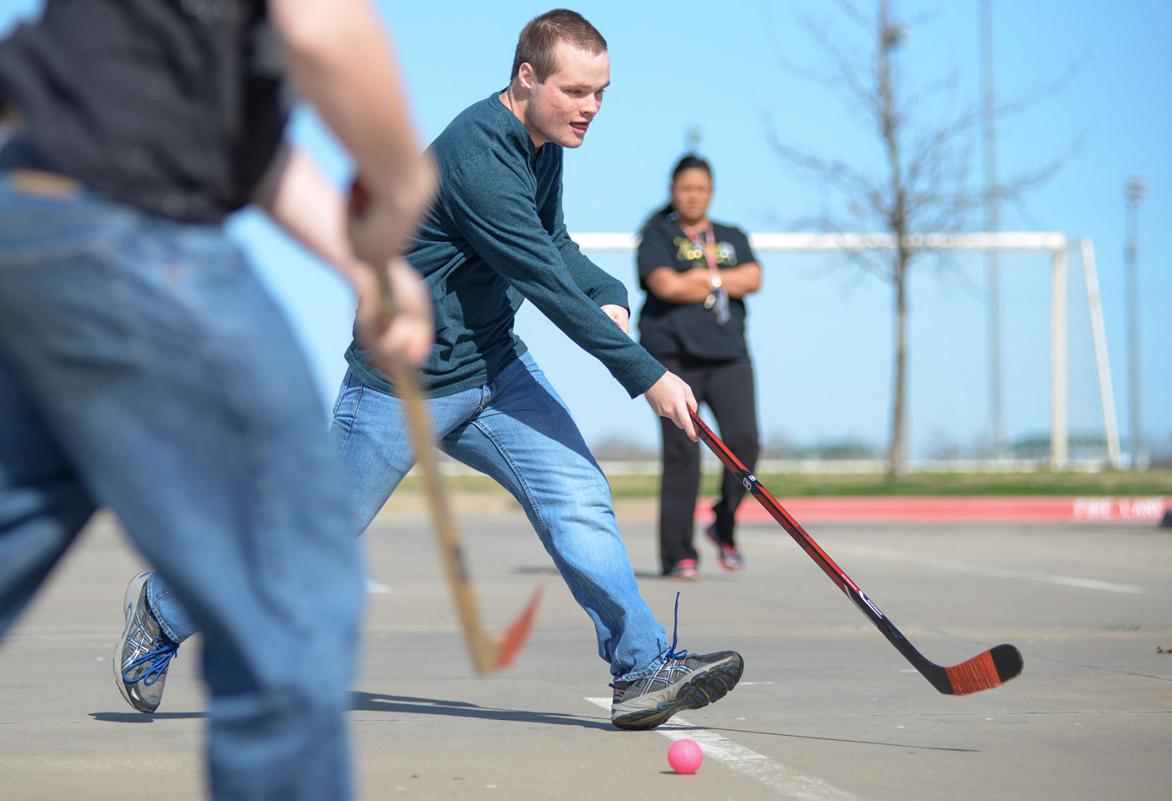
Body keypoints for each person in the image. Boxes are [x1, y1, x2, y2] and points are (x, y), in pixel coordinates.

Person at [130, 8, 745, 732]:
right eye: (577, 92)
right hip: (403, 387)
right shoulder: (479, 155)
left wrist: (609, 294)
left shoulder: (543, 145)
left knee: (577, 492)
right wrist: (648, 374)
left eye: (601, 93)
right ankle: (163, 608)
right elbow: (543, 278)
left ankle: (640, 670)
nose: (591, 109)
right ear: (527, 77)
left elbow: (554, 242)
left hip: (495, 367)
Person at [0, 2, 436, 799]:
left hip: (25, 212)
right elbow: (324, 26)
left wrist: (363, 266)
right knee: (294, 592)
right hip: (130, 232)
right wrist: (408, 186)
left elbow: (242, 140)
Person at [636, 154, 763, 580]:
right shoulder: (657, 236)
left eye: (701, 188)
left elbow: (754, 277)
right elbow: (664, 285)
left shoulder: (731, 235)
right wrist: (721, 279)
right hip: (672, 358)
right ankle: (678, 554)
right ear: (673, 190)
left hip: (728, 356)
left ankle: (723, 523)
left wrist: (702, 279)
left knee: (744, 444)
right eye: (686, 188)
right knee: (681, 456)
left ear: (711, 192)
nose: (693, 195)